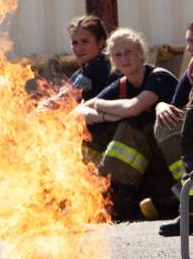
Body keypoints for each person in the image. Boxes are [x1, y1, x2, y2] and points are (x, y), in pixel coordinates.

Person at [75, 28, 178, 221]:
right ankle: (94, 192)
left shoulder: (159, 77)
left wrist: (98, 104)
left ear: (140, 52)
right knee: (94, 131)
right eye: (117, 55)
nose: (124, 59)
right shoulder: (121, 85)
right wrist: (106, 117)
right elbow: (77, 112)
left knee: (130, 127)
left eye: (128, 52)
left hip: (171, 162)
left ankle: (119, 198)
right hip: (148, 165)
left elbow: (133, 107)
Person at [153, 22, 193, 236]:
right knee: (167, 124)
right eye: (188, 41)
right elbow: (175, 106)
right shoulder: (191, 72)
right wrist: (161, 106)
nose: (189, 49)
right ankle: (190, 210)